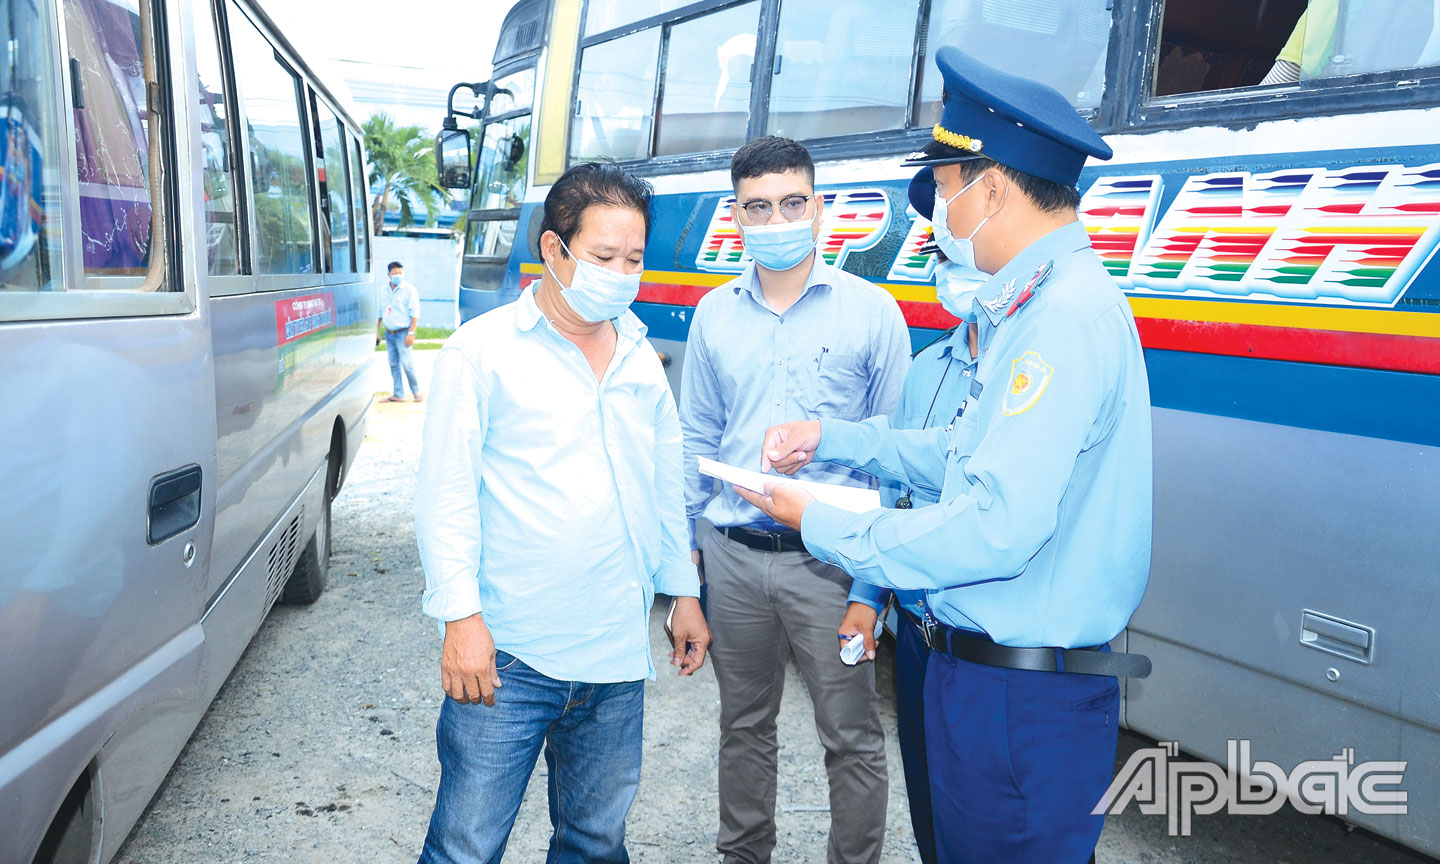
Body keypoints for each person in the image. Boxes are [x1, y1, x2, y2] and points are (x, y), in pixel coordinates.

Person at [736, 47, 1154, 864]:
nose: (942, 211)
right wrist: (838, 440)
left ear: (992, 188)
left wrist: (821, 524)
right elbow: (962, 452)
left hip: (1019, 697)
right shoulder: (1035, 307)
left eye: (950, 187)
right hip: (996, 686)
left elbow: (996, 527)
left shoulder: (1061, 319)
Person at [412, 161, 711, 864]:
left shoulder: (639, 356)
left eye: (633, 259)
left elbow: (664, 484)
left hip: (613, 655)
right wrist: (460, 618)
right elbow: (446, 493)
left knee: (595, 843)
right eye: (604, 256)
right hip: (509, 655)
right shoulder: (480, 353)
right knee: (464, 846)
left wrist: (684, 593)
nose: (621, 272)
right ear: (554, 249)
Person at [679, 135, 911, 864]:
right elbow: (696, 442)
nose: (775, 218)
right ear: (736, 216)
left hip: (834, 564)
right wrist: (686, 575)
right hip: (734, 560)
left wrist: (871, 592)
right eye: (758, 207)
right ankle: (743, 854)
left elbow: (898, 465)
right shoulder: (714, 314)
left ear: (816, 208)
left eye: (790, 203)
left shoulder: (873, 314)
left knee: (851, 736)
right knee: (743, 726)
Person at [834, 167, 971, 864]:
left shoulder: (1034, 366)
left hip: (989, 647)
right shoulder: (929, 366)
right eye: (939, 257)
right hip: (920, 640)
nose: (947, 271)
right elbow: (895, 492)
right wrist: (867, 598)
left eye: (958, 255)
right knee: (933, 819)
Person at [378, 261, 423, 402]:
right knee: (393, 364)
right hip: (389, 333)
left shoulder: (409, 290)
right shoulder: (382, 290)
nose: (398, 276)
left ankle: (416, 391)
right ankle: (398, 394)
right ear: (388, 275)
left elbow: (414, 312)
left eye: (400, 273)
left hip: (403, 333)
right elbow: (380, 312)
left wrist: (411, 333)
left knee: (407, 364)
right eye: (395, 273)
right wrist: (377, 332)